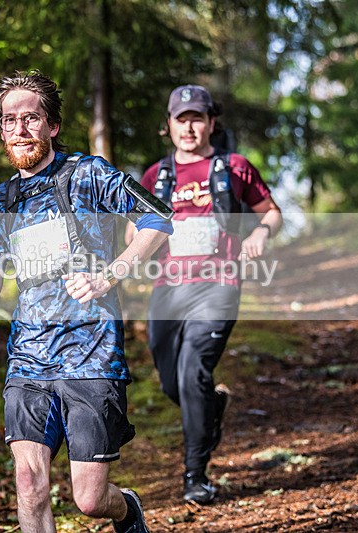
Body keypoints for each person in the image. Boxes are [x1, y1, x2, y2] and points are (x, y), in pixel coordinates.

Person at [0, 70, 172, 533]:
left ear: (51, 125)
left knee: (89, 498)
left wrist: (110, 275)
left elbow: (159, 220)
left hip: (91, 354)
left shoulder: (87, 174)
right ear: (1, 130)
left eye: (30, 117)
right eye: (9, 120)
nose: (20, 128)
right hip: (28, 356)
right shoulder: (2, 198)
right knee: (28, 480)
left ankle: (127, 508)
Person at [125, 84, 283, 505]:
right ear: (169, 127)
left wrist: (262, 234)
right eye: (182, 119)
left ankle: (195, 475)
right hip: (168, 289)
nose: (190, 127)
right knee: (171, 383)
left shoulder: (234, 167)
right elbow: (135, 227)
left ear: (211, 123)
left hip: (219, 285)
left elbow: (271, 212)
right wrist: (133, 248)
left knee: (193, 371)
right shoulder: (155, 176)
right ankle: (211, 408)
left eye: (197, 118)